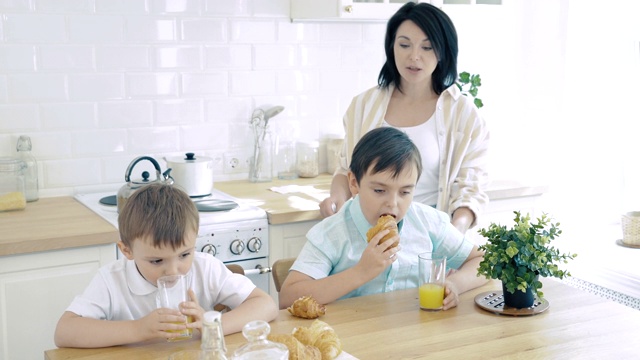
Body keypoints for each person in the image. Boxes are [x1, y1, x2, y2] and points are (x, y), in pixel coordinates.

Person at [319, 2, 490, 235]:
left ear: (442, 52)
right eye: (404, 45)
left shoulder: (463, 114)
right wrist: (336, 199)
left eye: (427, 47)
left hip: (433, 240)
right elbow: (346, 170)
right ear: (392, 47)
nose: (414, 56)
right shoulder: (363, 105)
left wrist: (453, 235)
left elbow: (470, 189)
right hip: (366, 237)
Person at [280, 127, 487, 310]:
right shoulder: (332, 233)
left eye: (405, 192)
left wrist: (455, 284)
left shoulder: (427, 222)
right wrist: (361, 272)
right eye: (379, 190)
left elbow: (482, 261)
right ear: (354, 183)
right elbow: (288, 297)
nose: (393, 203)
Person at [54, 183, 278, 348]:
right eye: (157, 261)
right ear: (127, 251)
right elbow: (65, 331)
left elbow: (266, 304)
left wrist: (212, 324)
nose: (173, 271)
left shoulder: (205, 268)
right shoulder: (112, 280)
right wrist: (138, 329)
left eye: (184, 254)